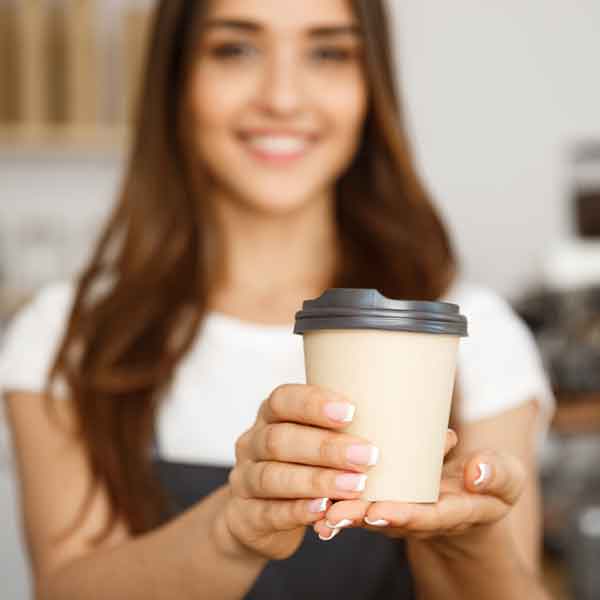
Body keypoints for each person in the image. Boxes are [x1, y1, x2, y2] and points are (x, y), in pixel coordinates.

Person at [0, 1, 555, 598]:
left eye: (329, 52)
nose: (283, 98)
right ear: (176, 77)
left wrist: (473, 548)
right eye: (235, 49)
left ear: (372, 85)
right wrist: (231, 531)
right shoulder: (68, 336)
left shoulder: (475, 338)